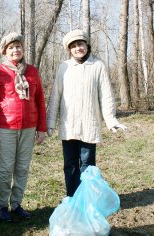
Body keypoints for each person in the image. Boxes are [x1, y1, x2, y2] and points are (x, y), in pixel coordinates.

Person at [46, 29, 127, 197]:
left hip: (89, 125)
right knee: (70, 164)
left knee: (88, 165)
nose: (78, 48)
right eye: (74, 46)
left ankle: (87, 198)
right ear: (69, 49)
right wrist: (50, 122)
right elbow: (55, 96)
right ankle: (72, 197)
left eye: (80, 44)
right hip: (69, 126)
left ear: (86, 45)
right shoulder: (64, 67)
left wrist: (111, 120)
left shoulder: (98, 66)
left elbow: (106, 95)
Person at [0, 32, 47, 222]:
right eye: (11, 47)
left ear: (23, 48)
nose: (15, 50)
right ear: (5, 51)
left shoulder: (32, 71)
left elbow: (39, 100)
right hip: (6, 127)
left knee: (22, 168)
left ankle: (17, 204)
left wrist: (42, 128)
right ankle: (2, 205)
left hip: (29, 127)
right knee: (5, 169)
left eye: (18, 46)